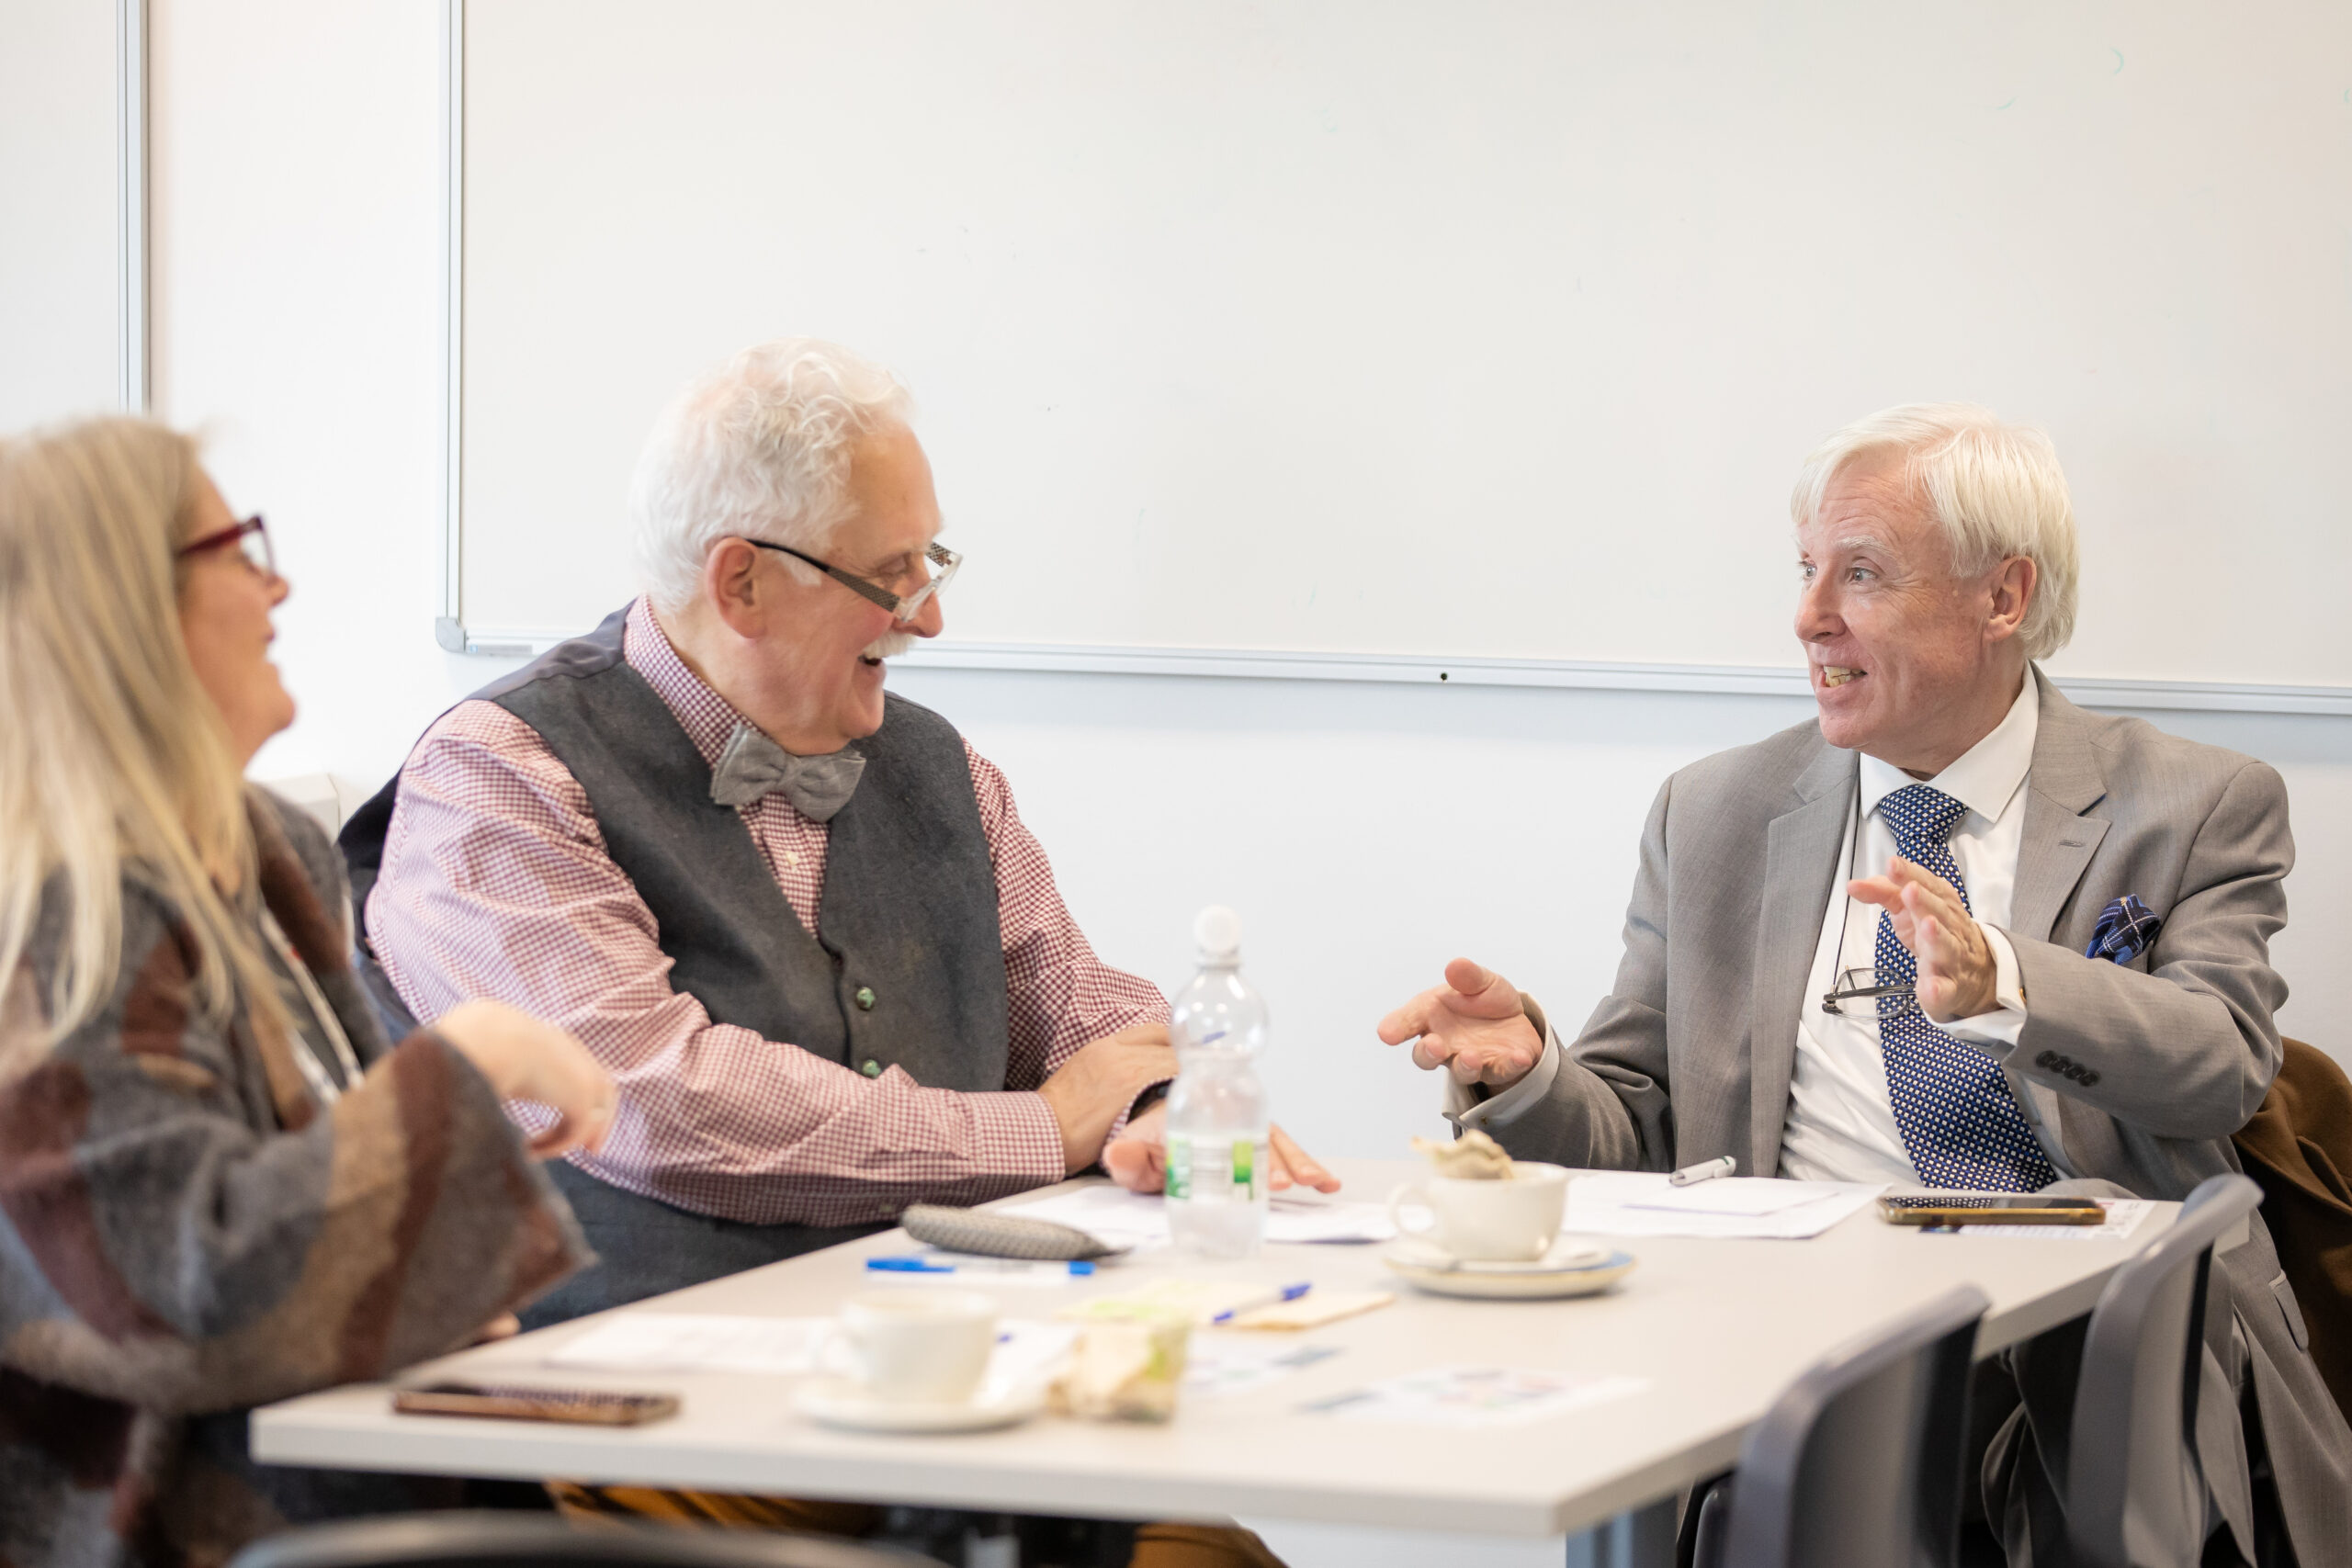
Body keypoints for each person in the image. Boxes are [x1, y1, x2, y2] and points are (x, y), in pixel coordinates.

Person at [1379, 404, 2352, 1565]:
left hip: (2096, 1351)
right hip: (1797, 1345)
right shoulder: (1716, 814)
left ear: (2002, 598)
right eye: (1803, 571)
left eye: (1860, 574)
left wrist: (2006, 981)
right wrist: (1529, 1073)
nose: (1807, 617)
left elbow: (2222, 1069)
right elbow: (1632, 1124)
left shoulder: (2190, 803)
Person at [343, 337, 1335, 1327]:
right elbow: (651, 1102)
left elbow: (1081, 1011)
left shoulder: (938, 766)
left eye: (931, 561)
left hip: (936, 1349)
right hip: (644, 1391)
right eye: (891, 574)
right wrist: (1039, 1130)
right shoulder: (500, 775)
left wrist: (1156, 1110)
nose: (931, 617)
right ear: (741, 583)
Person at [0, 417, 613, 1567]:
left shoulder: (271, 851)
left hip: (378, 1486)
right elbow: (187, 1293)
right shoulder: (58, 909)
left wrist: (417, 1265)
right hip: (183, 1532)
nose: (277, 583)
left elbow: (325, 1210)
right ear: (126, 606)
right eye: (239, 549)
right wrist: (465, 1065)